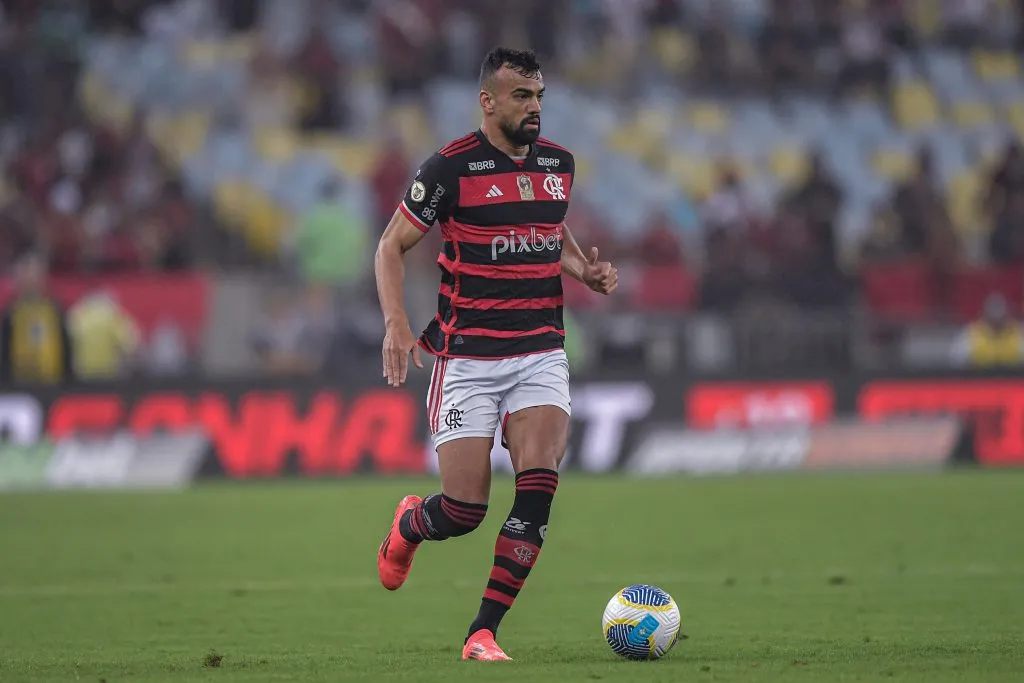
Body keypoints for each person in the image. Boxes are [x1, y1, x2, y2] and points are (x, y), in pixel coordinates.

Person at [373, 47, 617, 661]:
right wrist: (397, 322)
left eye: (539, 96)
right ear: (488, 101)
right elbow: (389, 247)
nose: (534, 108)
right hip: (467, 360)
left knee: (538, 483)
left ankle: (482, 632)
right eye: (521, 96)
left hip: (539, 349)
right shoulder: (449, 168)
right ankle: (410, 525)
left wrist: (582, 269)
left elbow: (544, 225)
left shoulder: (558, 164)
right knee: (464, 510)